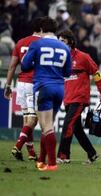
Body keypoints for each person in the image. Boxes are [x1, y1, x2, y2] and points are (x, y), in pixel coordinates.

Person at [21, 17, 72, 171]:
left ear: (41, 30)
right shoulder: (64, 48)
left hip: (43, 87)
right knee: (48, 126)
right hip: (59, 89)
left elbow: (24, 65)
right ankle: (42, 161)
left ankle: (52, 164)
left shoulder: (37, 44)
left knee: (46, 126)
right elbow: (68, 72)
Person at [57, 29, 101, 164]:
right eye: (58, 41)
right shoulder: (60, 59)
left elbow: (96, 73)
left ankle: (63, 155)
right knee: (76, 129)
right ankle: (92, 153)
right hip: (67, 98)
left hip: (79, 98)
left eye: (63, 41)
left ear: (70, 42)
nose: (60, 44)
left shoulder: (83, 57)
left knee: (67, 125)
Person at [4, 17, 42, 161]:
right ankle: (18, 146)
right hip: (34, 84)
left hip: (21, 84)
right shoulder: (43, 43)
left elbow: (13, 65)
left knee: (27, 118)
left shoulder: (20, 42)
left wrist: (8, 85)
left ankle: (31, 153)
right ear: (42, 29)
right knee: (34, 119)